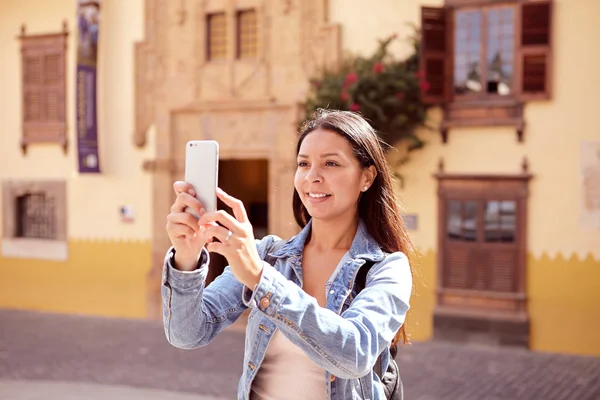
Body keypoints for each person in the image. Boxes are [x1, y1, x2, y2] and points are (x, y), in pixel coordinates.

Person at [162, 109, 413, 399]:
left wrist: (259, 279)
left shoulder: (387, 268)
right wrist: (186, 261)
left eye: (331, 163)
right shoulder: (268, 255)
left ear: (367, 177)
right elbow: (187, 333)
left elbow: (353, 355)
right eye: (303, 164)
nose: (312, 177)